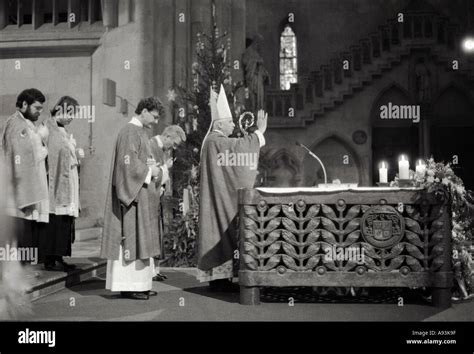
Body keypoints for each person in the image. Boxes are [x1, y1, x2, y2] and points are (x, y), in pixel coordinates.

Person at [197, 85, 267, 292]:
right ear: (220, 123)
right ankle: (219, 280)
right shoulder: (214, 141)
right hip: (217, 200)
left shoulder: (216, 141)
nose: (233, 125)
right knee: (219, 231)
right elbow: (239, 149)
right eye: (230, 122)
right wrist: (259, 133)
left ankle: (222, 278)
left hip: (219, 197)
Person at [100, 97, 164, 300]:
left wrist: (150, 164)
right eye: (154, 117)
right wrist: (150, 170)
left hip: (141, 196)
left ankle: (140, 284)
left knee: (140, 240)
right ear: (143, 111)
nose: (155, 122)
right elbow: (126, 166)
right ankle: (128, 286)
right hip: (132, 199)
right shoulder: (129, 131)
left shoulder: (139, 132)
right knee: (131, 240)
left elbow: (137, 159)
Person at [38, 96, 84, 271]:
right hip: (53, 183)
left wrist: (76, 155)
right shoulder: (46, 128)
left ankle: (59, 256)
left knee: (64, 220)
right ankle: (50, 258)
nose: (72, 117)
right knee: (54, 219)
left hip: (66, 181)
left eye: (74, 114)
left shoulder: (62, 131)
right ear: (59, 110)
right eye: (70, 113)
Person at [0, 88, 49, 252]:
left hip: (23, 191)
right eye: (37, 108)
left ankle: (21, 271)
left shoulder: (24, 123)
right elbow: (20, 158)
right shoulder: (17, 125)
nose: (39, 113)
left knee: (24, 238)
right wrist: (41, 140)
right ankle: (16, 273)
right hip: (17, 193)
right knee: (19, 238)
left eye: (41, 109)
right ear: (24, 105)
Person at [149, 125, 186, 281]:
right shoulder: (151, 146)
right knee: (151, 234)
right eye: (175, 144)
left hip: (158, 198)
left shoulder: (162, 149)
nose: (174, 148)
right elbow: (152, 174)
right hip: (150, 198)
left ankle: (154, 270)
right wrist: (166, 167)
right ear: (168, 137)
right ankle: (149, 271)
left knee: (158, 233)